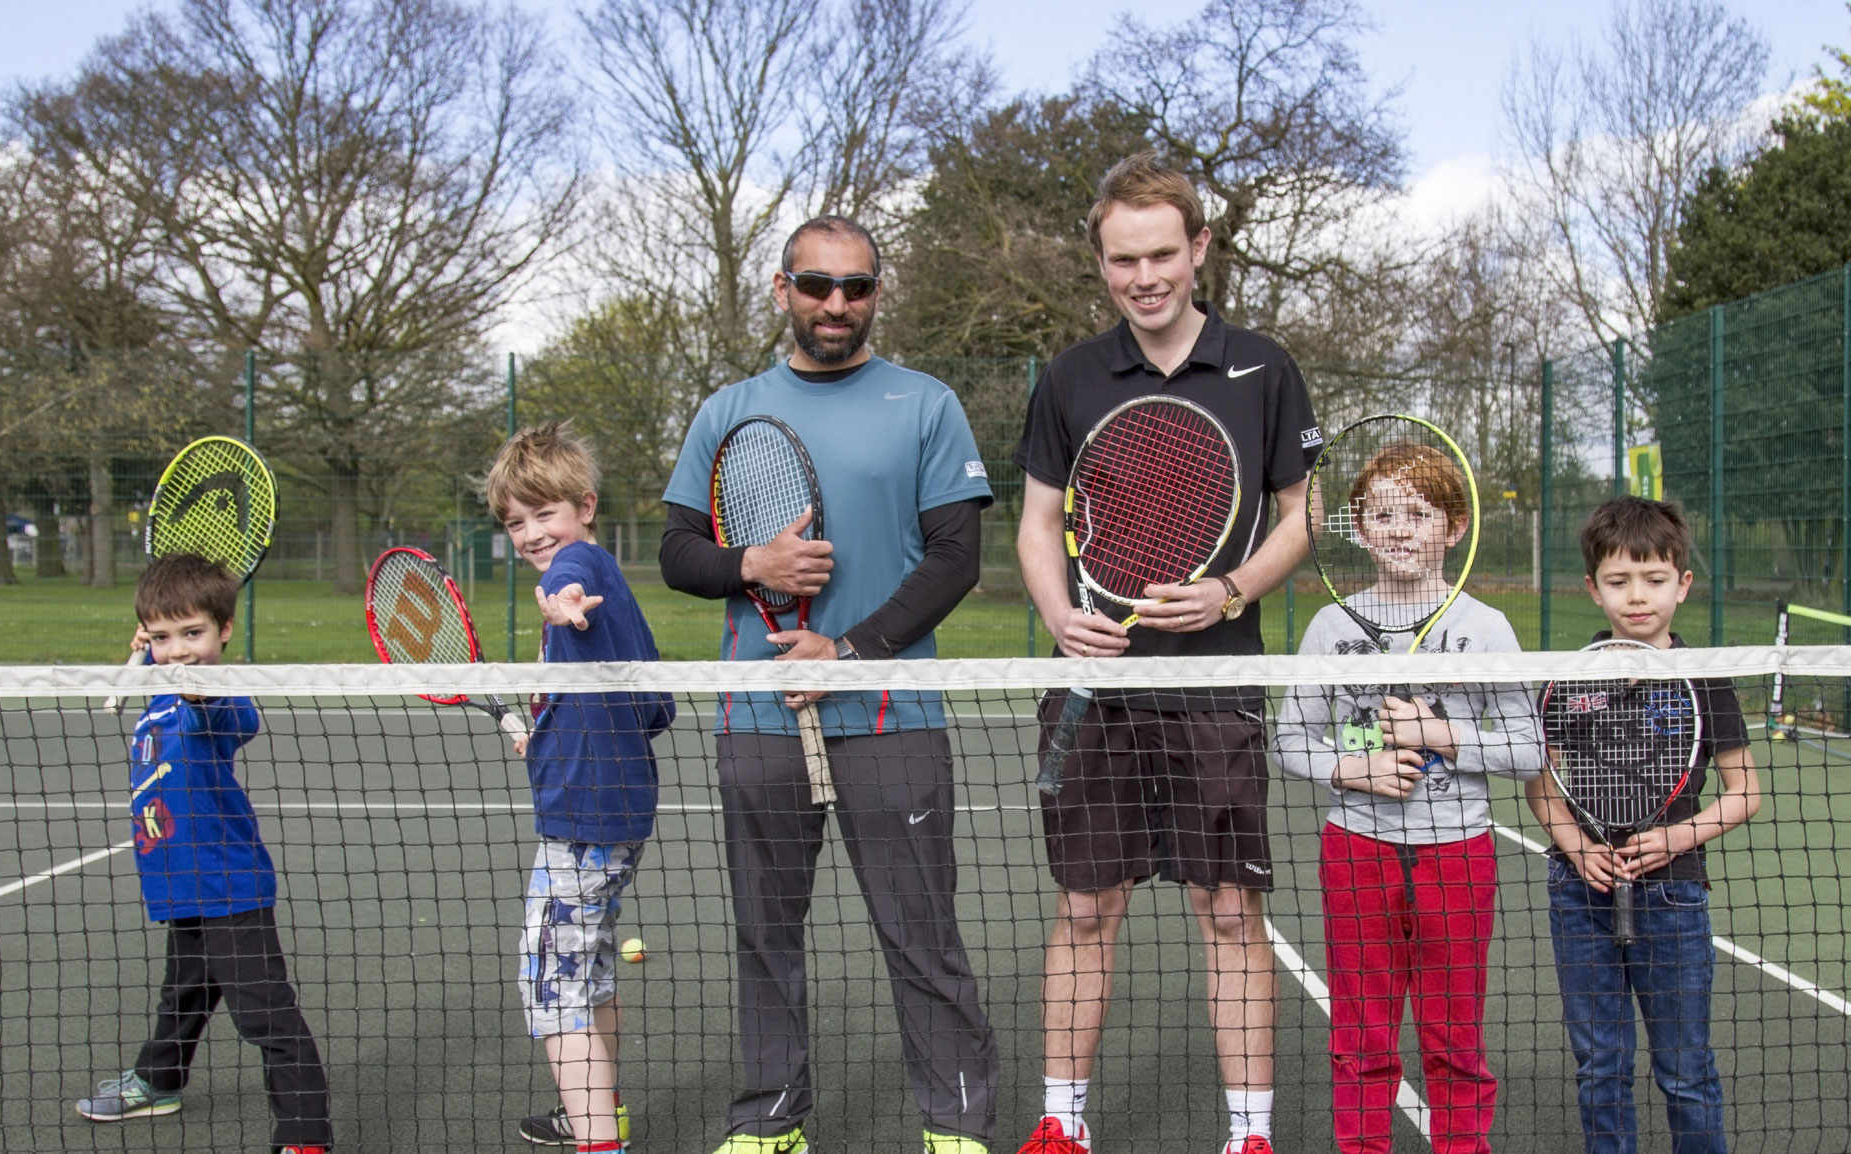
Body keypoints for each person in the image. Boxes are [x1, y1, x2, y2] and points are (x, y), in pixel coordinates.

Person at [660, 214, 1001, 1154]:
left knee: (921, 937)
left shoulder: (927, 404)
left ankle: (956, 1126)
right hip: (760, 720)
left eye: (855, 287)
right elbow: (678, 553)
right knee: (765, 938)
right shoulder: (727, 411)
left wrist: (847, 651)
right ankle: (769, 1122)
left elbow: (956, 558)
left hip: (893, 720)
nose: (836, 304)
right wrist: (754, 563)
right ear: (783, 292)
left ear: (876, 295)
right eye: (816, 285)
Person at [1013, 152, 1323, 1154]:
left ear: (1195, 248)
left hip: (1214, 686)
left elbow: (1300, 514)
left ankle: (1248, 1135)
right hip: (1093, 686)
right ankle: (1061, 1122)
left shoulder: (1261, 367)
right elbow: (1035, 521)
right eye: (1119, 260)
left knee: (1228, 911)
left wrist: (1228, 589)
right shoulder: (1066, 377)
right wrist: (1061, 614)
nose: (1142, 277)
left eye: (1159, 255)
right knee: (1084, 906)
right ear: (1099, 261)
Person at [1274, 441, 1544, 1154]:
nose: (1400, 529)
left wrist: (1443, 734)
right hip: (1356, 849)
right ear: (1360, 530)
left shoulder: (1486, 628)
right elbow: (1292, 741)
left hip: (1458, 851)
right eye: (1383, 514)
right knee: (1361, 1033)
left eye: (1419, 513)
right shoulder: (1332, 626)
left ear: (1454, 527)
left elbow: (1529, 748)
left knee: (1454, 1032)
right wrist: (1354, 768)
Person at [1523, 496, 1761, 1154]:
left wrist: (1675, 838)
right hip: (1581, 895)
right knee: (1601, 1069)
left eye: (1654, 580)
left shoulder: (1705, 681)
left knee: (1685, 1071)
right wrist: (1575, 849)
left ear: (1682, 585)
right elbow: (1542, 786)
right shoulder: (1568, 680)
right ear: (1593, 589)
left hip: (1674, 894)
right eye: (1619, 581)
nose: (1638, 596)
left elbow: (1745, 792)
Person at [74, 552, 331, 1154]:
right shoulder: (157, 690)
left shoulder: (215, 696)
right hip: (178, 881)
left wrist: (196, 688)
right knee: (184, 991)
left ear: (224, 630)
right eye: (163, 636)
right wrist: (144, 655)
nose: (179, 649)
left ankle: (305, 1134)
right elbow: (158, 665)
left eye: (193, 633)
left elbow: (231, 716)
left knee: (266, 1016)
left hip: (225, 885)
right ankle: (159, 1080)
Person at [491, 423, 678, 1153]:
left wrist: (557, 601)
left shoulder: (580, 570)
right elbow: (654, 707)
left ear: (585, 506)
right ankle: (600, 1114)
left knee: (550, 983)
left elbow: (563, 580)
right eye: (516, 522)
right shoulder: (615, 593)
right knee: (590, 971)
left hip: (584, 821)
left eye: (545, 513)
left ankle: (600, 1142)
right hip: (617, 813)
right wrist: (549, 730)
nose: (534, 533)